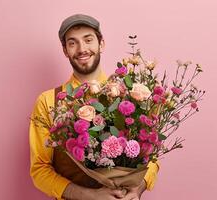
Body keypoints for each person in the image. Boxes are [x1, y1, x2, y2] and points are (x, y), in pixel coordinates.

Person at [29, 14, 159, 200]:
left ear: (101, 44)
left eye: (88, 40)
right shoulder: (48, 101)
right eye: (72, 43)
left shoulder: (132, 94)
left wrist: (138, 188)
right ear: (65, 50)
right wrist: (90, 196)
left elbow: (152, 156)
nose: (82, 49)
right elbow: (40, 170)